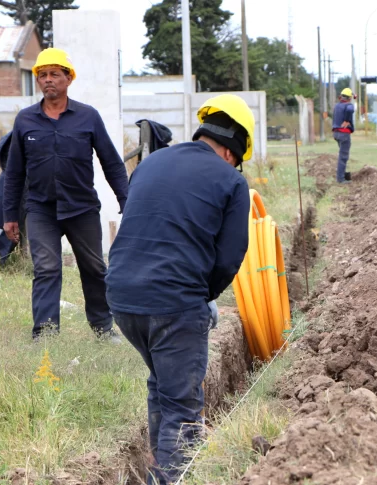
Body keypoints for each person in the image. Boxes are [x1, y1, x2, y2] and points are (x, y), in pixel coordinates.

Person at [105, 94, 254, 484]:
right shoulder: (231, 181)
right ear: (232, 150)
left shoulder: (150, 163)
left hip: (120, 296)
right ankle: (173, 478)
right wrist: (201, 298)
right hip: (173, 301)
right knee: (183, 408)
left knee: (162, 384)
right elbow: (229, 257)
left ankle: (157, 467)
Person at [3, 47, 128, 341]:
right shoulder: (25, 120)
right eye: (42, 75)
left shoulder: (88, 117)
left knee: (95, 268)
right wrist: (10, 215)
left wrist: (127, 201)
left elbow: (111, 162)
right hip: (41, 209)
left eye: (54, 75)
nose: (48, 80)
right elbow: (14, 173)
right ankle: (45, 333)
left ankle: (103, 329)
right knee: (46, 268)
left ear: (68, 79)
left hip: (82, 208)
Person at [332, 87, 356, 184]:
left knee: (342, 155)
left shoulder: (337, 106)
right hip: (343, 134)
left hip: (336, 133)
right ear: (349, 98)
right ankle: (341, 179)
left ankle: (343, 174)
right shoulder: (348, 105)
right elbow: (350, 109)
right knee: (343, 156)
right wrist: (346, 120)